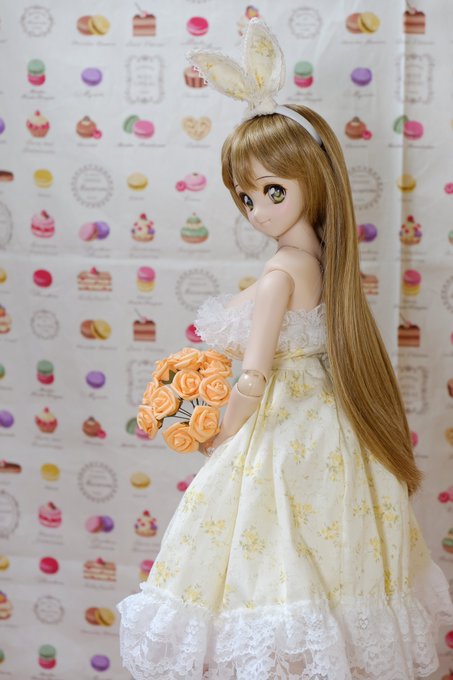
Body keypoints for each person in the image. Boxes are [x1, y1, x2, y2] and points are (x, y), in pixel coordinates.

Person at [117, 19, 453, 679]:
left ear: (311, 182)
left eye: (273, 191)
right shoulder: (325, 263)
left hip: (280, 435)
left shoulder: (278, 274)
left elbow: (252, 378)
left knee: (266, 562)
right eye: (246, 196)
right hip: (332, 430)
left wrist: (219, 436)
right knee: (330, 562)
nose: (258, 210)